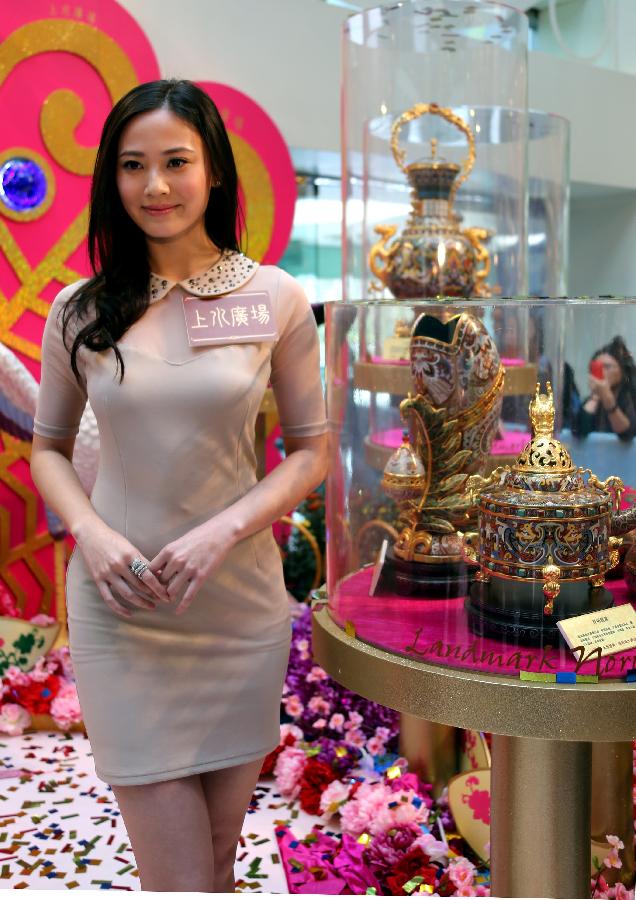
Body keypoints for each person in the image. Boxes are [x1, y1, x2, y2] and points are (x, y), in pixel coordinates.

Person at [29, 79, 328, 892]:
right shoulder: (80, 310)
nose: (154, 186)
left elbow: (311, 451)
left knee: (219, 861)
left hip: (237, 612)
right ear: (111, 179)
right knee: (179, 879)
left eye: (176, 162)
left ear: (217, 172)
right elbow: (47, 449)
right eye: (132, 166)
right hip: (122, 612)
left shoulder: (274, 299)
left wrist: (222, 529)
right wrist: (90, 534)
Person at [572, 336, 636, 441]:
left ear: (622, 371)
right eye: (597, 368)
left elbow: (626, 434)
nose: (602, 372)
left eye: (607, 367)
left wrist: (607, 398)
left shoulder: (630, 398)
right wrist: (595, 397)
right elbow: (578, 431)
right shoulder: (591, 400)